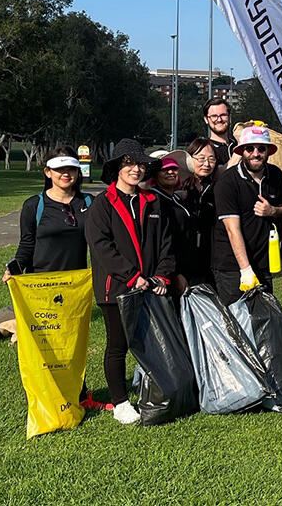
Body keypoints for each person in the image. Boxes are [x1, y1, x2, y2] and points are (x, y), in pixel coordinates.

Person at [3, 147, 107, 410]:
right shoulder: (34, 205)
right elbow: (26, 245)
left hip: (75, 288)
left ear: (78, 171)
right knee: (45, 345)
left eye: (71, 168)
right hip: (40, 287)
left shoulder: (88, 203)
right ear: (47, 172)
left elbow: (99, 242)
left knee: (73, 342)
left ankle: (81, 395)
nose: (65, 174)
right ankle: (45, 395)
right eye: (59, 169)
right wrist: (14, 268)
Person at [85, 139, 175, 424]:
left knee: (150, 342)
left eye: (140, 165)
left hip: (150, 285)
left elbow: (166, 244)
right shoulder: (102, 204)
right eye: (129, 164)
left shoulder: (153, 201)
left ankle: (151, 388)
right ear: (117, 168)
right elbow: (101, 248)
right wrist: (132, 277)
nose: (136, 170)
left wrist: (162, 274)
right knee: (117, 345)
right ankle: (120, 401)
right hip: (117, 289)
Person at [211, 123, 282, 306]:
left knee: (263, 320)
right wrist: (245, 270)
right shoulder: (228, 182)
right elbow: (232, 230)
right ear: (241, 151)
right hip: (231, 265)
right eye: (249, 148)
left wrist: (273, 211)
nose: (256, 153)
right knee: (238, 323)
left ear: (269, 151)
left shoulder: (275, 175)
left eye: (261, 148)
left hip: (263, 263)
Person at [147, 155, 198, 295]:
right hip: (170, 274)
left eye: (174, 169)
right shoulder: (155, 201)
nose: (171, 172)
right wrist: (175, 274)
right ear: (155, 175)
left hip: (190, 268)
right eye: (165, 169)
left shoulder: (177, 198)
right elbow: (163, 241)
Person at [183, 138, 218, 287]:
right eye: (201, 159)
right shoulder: (180, 187)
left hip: (210, 258)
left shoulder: (218, 187)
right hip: (184, 259)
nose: (207, 164)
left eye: (212, 159)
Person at [203, 97, 236, 169]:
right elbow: (218, 176)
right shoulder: (204, 148)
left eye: (223, 115)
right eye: (214, 116)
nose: (219, 119)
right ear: (206, 119)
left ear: (229, 117)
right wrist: (239, 152)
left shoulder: (236, 145)